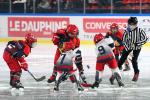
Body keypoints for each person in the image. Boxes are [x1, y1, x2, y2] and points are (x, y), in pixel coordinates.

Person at [118, 17, 148, 82]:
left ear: (136, 24)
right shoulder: (127, 31)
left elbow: (145, 39)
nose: (131, 26)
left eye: (133, 24)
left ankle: (136, 73)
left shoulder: (139, 30)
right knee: (122, 59)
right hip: (128, 46)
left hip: (137, 48)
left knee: (134, 60)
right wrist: (127, 47)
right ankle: (115, 71)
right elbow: (124, 40)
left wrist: (137, 44)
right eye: (130, 24)